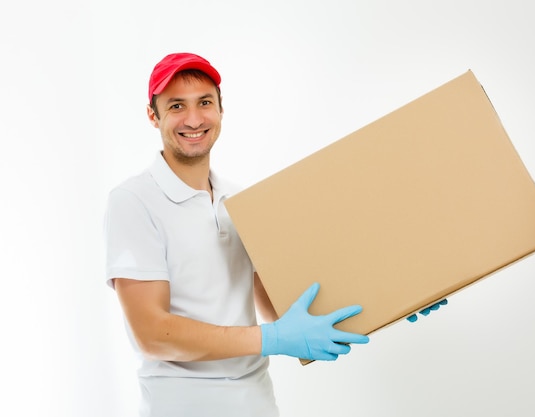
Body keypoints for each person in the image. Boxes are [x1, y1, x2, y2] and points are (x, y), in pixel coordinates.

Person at [103, 52, 445, 417]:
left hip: (257, 404)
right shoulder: (134, 201)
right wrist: (273, 339)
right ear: (153, 115)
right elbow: (152, 333)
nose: (193, 119)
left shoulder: (241, 201)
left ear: (220, 110)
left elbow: (287, 315)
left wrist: (397, 296)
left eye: (204, 102)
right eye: (176, 106)